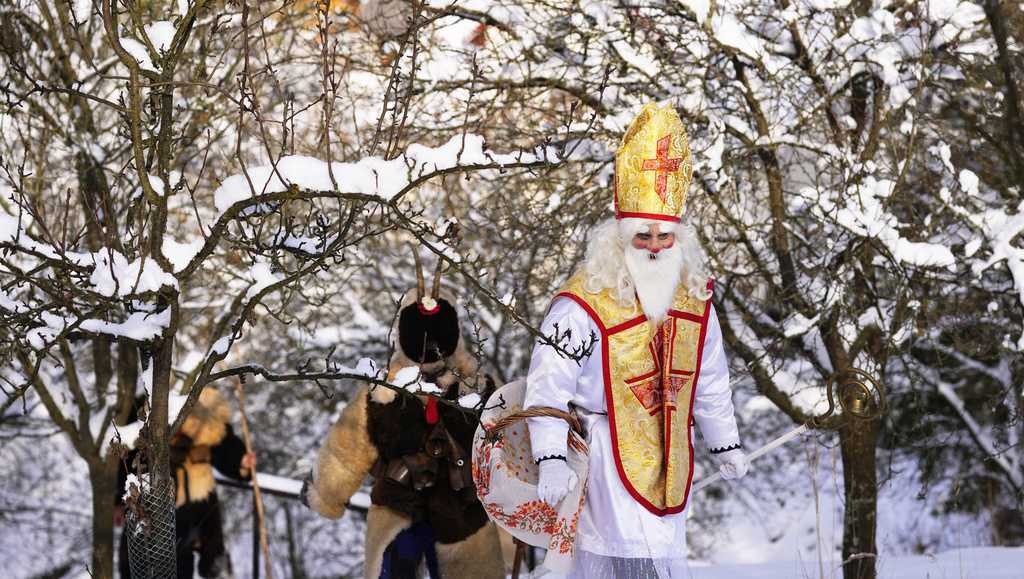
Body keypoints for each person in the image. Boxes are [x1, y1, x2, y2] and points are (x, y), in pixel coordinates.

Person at [522, 102, 749, 578]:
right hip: (601, 459)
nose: (653, 246)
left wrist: (725, 443)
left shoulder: (694, 302)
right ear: (619, 236)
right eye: (642, 235)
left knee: (658, 563)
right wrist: (549, 455)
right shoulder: (582, 302)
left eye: (664, 236)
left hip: (671, 457)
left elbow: (708, 379)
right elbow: (547, 382)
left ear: (679, 239)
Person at [116, 388, 256, 579]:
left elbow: (224, 444)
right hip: (159, 506)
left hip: (199, 503)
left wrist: (241, 462)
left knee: (188, 563)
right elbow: (128, 462)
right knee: (154, 559)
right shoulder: (147, 410)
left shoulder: (205, 411)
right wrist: (119, 500)